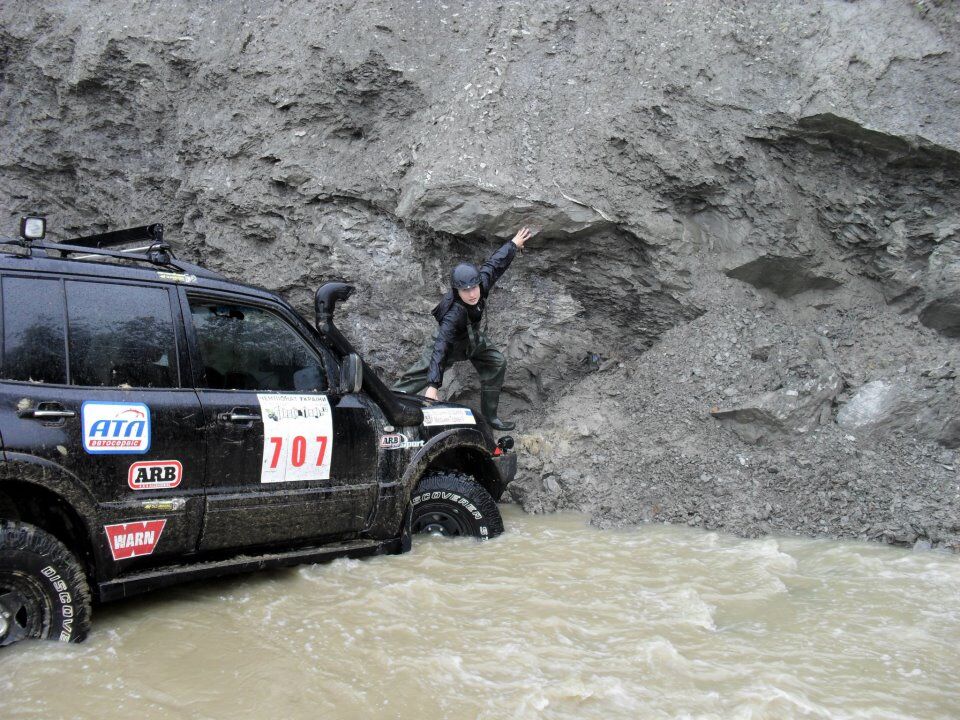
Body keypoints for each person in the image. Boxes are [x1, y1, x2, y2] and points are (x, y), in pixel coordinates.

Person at [392, 226, 537, 430]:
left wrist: (513, 244)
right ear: (457, 290)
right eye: (465, 290)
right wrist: (433, 385)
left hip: (472, 340)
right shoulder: (453, 314)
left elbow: (495, 264)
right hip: (448, 345)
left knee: (497, 363)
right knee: (414, 379)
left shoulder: (481, 284)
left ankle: (490, 418)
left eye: (474, 287)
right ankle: (385, 407)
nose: (472, 294)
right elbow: (441, 346)